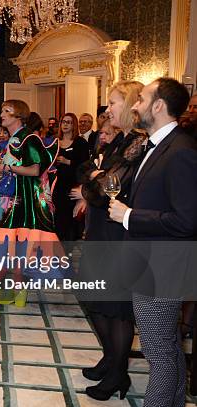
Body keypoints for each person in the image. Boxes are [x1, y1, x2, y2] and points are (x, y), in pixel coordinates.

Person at [108, 78, 196, 406]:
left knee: (157, 353)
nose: (135, 105)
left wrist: (129, 216)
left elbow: (187, 221)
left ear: (158, 106)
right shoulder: (157, 145)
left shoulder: (181, 150)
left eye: (141, 99)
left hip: (162, 266)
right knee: (168, 347)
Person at [74, 81, 145, 401]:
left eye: (113, 102)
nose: (107, 109)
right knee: (93, 300)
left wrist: (95, 179)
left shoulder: (138, 143)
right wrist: (95, 175)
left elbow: (103, 188)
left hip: (117, 236)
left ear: (130, 105)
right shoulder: (119, 140)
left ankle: (118, 373)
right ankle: (111, 359)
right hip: (100, 231)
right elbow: (88, 170)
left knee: (116, 309)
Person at [0, 100, 61, 317]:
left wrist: (8, 167)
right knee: (14, 248)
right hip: (8, 200)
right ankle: (19, 292)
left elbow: (35, 169)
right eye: (2, 110)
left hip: (19, 204)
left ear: (18, 116)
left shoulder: (29, 138)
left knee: (5, 249)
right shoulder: (14, 139)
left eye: (7, 111)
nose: (2, 114)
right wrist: (3, 169)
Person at [53, 113, 89, 241]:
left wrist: (67, 161)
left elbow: (85, 167)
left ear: (74, 125)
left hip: (72, 188)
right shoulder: (54, 142)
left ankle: (68, 252)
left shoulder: (81, 142)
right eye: (63, 122)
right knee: (57, 220)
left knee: (70, 223)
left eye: (69, 122)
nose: (65, 125)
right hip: (56, 188)